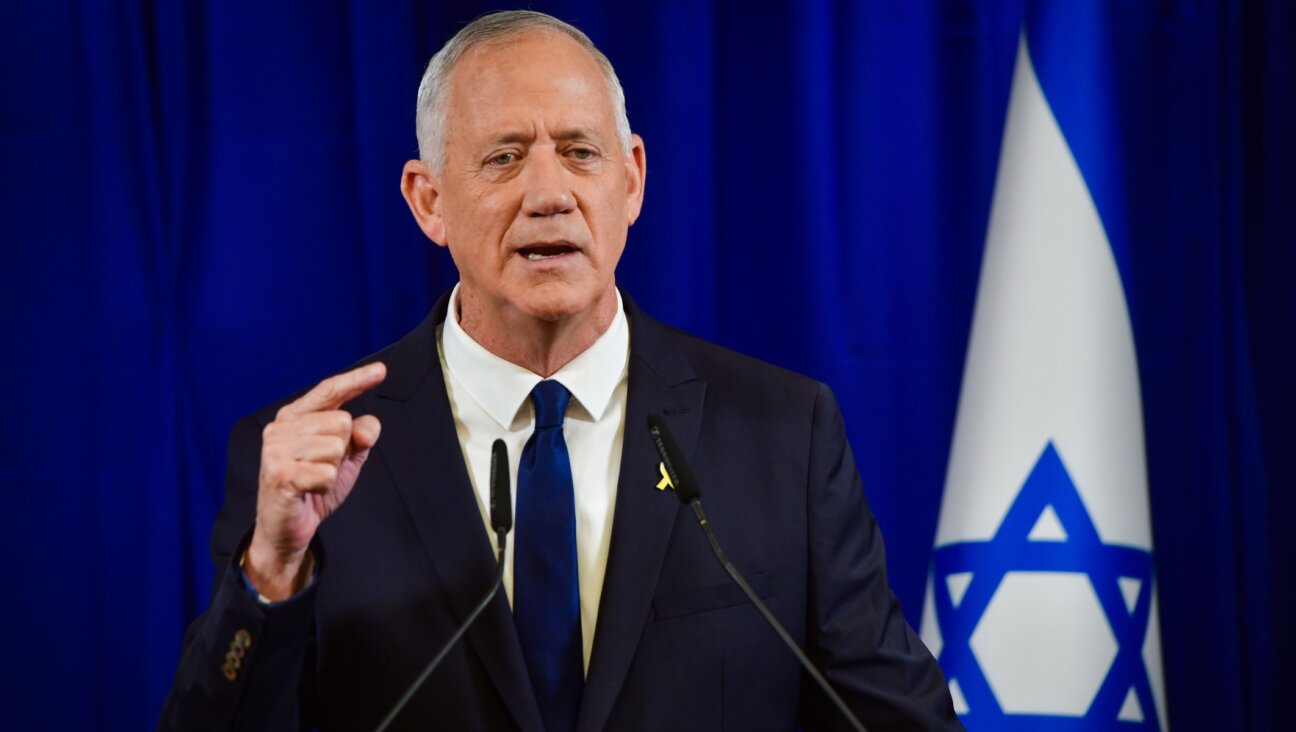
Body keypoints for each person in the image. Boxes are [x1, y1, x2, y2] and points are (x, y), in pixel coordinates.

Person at [160, 10, 960, 731]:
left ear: (632, 179)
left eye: (580, 153)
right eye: (504, 158)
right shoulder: (316, 462)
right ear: (428, 200)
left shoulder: (782, 436)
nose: (550, 193)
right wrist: (269, 573)